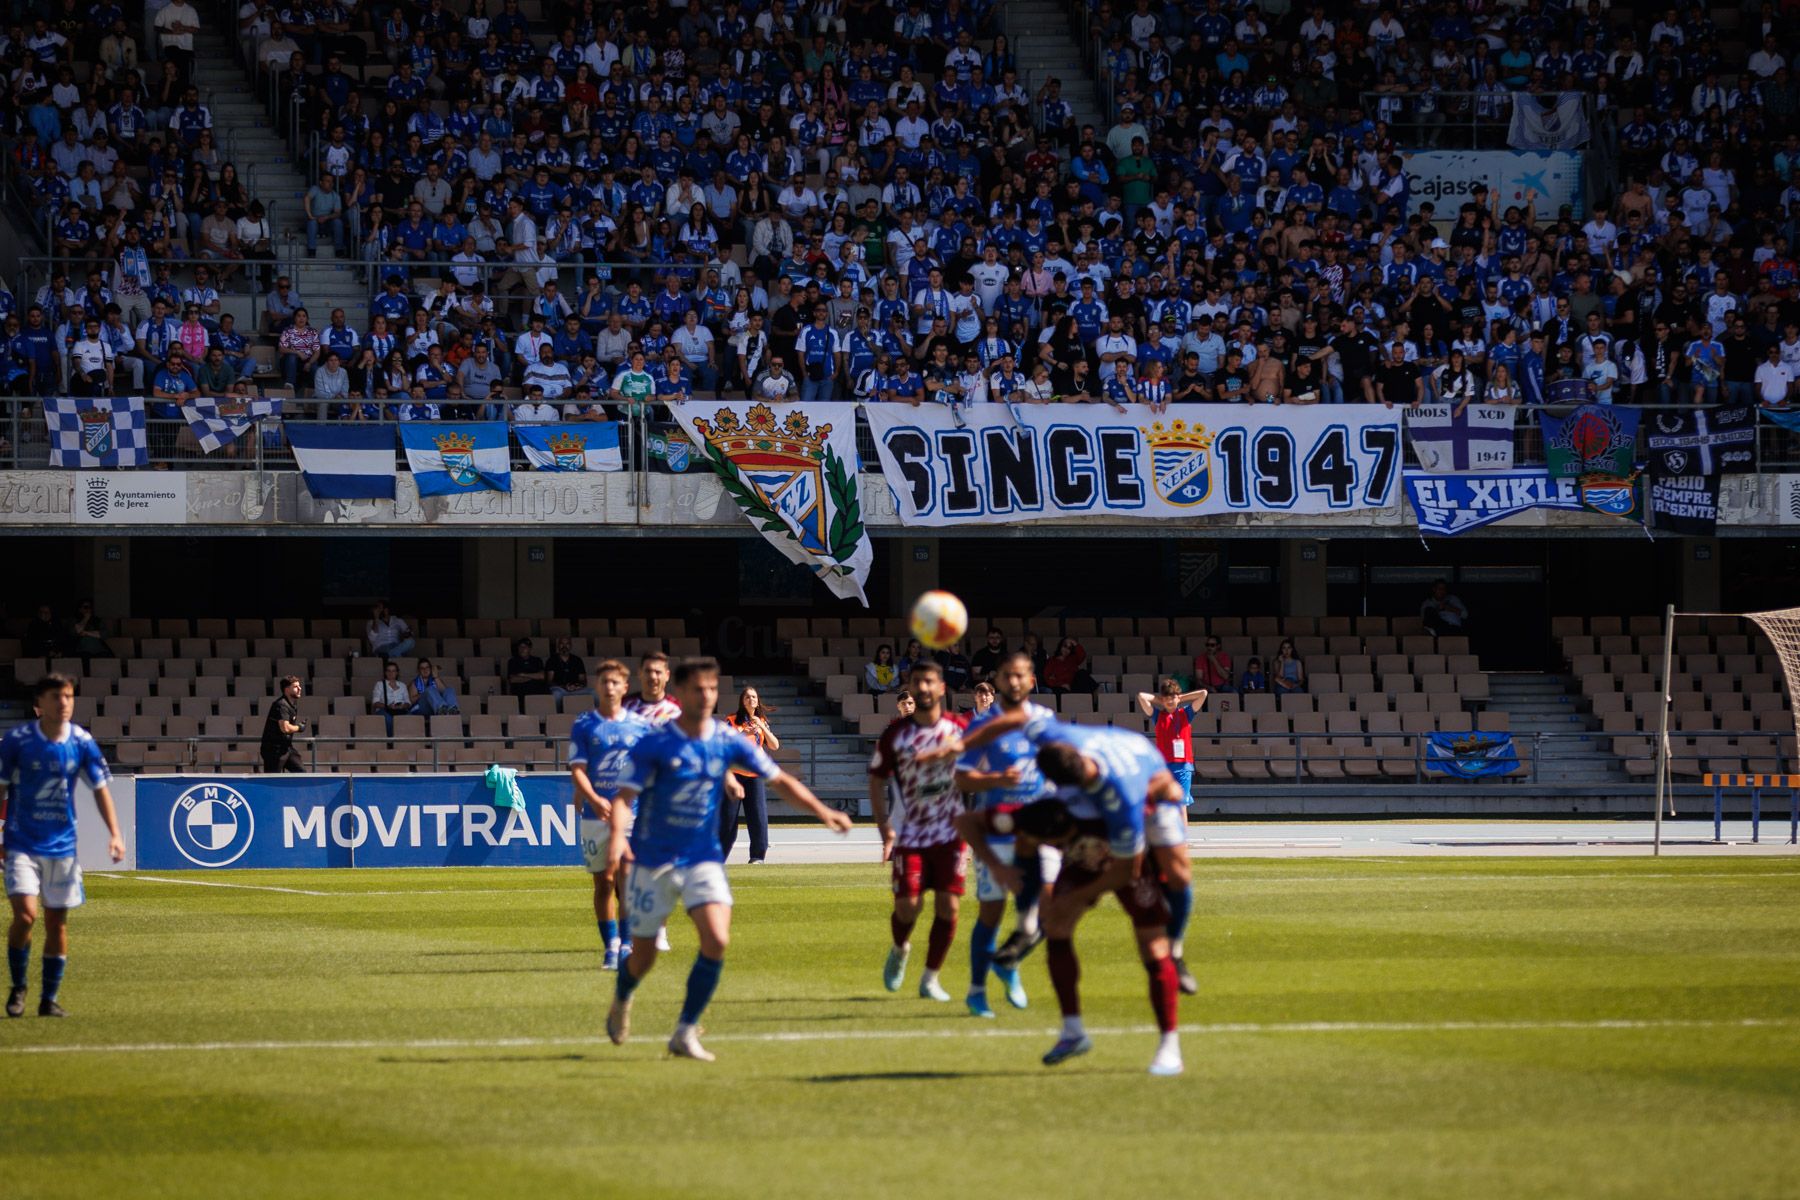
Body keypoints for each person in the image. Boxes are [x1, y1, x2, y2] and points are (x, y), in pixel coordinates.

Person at [605, 657, 852, 1061]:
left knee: (717, 939)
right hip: (654, 859)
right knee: (644, 956)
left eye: (712, 689)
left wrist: (824, 812)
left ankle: (685, 1030)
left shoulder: (725, 738)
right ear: (680, 694)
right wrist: (618, 838)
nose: (706, 695)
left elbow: (779, 779)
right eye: (698, 689)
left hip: (702, 856)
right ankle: (622, 995)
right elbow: (623, 800)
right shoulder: (656, 743)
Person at [957, 714, 1187, 1075]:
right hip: (1085, 861)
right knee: (1057, 925)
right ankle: (1073, 1031)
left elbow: (1126, 870)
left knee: (1153, 945)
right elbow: (967, 822)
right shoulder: (1041, 812)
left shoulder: (1118, 806)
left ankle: (1169, 1044)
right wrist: (999, 867)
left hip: (1128, 859)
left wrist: (1078, 896)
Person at [2, 674, 124, 1018]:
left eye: (69, 696)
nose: (65, 702)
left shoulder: (82, 742)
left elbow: (100, 788)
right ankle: (19, 986)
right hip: (21, 843)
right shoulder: (17, 741)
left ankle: (48, 998)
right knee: (25, 916)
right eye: (57, 696)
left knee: (57, 923)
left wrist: (115, 833)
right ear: (40, 704)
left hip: (63, 846)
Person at [952, 652, 1052, 1017]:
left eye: (1021, 675)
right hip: (996, 831)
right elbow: (961, 776)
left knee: (1048, 910)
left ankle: (1008, 962)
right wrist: (997, 779)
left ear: (1030, 680)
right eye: (1008, 675)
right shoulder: (982, 725)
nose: (1014, 681)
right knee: (991, 913)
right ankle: (977, 991)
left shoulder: (1044, 721)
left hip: (1038, 831)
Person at [867, 659, 970, 1004]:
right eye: (917, 682)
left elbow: (978, 765)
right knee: (908, 905)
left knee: (948, 907)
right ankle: (900, 947)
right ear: (910, 688)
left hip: (951, 832)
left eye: (929, 682)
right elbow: (876, 780)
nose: (923, 688)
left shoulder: (959, 727)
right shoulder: (896, 735)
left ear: (942, 688)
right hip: (911, 832)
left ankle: (930, 978)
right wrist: (885, 828)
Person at [569, 660, 650, 971]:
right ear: (597, 686)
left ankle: (627, 945)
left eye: (615, 682)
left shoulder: (639, 727)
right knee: (603, 882)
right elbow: (577, 769)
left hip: (631, 813)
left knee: (627, 879)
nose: (610, 687)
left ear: (625, 687)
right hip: (594, 815)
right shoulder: (585, 724)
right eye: (604, 682)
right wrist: (593, 798)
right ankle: (611, 946)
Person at [722, 688, 778, 864]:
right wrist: (744, 733)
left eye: (754, 697)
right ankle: (719, 856)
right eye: (747, 697)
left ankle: (757, 856)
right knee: (728, 818)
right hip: (735, 774)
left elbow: (774, 745)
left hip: (754, 775)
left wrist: (761, 727)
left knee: (758, 816)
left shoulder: (761, 721)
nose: (751, 699)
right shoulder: (731, 720)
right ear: (742, 701)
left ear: (757, 701)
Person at [259, 675, 305, 773]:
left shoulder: (293, 704)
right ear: (287, 689)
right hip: (274, 751)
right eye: (296, 687)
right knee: (273, 779)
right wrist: (299, 728)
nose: (300, 688)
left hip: (287, 748)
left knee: (301, 773)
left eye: (299, 686)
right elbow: (285, 728)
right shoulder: (281, 705)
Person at [625, 651, 681, 725]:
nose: (652, 677)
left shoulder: (679, 709)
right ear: (639, 673)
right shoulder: (624, 706)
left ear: (667, 675)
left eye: (658, 672)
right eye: (648, 671)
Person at [369, 660, 414, 736]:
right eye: (389, 671)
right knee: (389, 720)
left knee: (411, 718)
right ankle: (392, 742)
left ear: (397, 673)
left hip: (400, 710)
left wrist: (402, 706)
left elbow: (408, 702)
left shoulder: (402, 685)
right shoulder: (379, 684)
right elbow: (375, 703)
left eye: (393, 671)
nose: (391, 673)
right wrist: (388, 706)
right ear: (385, 673)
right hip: (384, 710)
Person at [547, 638, 593, 706]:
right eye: (562, 644)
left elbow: (583, 680)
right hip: (559, 689)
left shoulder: (577, 660)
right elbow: (549, 681)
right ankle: (559, 716)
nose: (564, 646)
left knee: (593, 692)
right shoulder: (552, 660)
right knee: (556, 695)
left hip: (575, 689)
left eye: (567, 644)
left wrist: (576, 686)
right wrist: (564, 687)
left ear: (571, 646)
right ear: (558, 646)